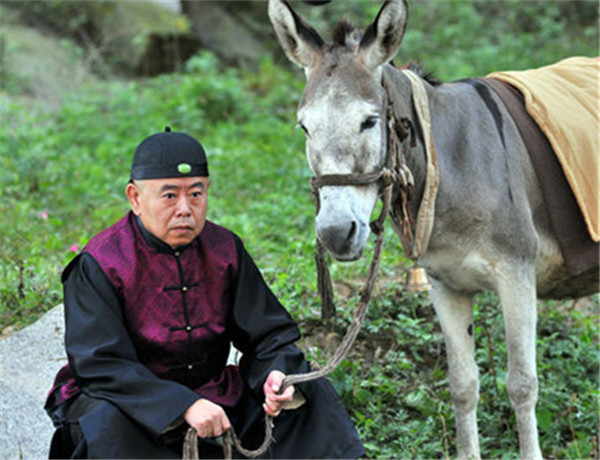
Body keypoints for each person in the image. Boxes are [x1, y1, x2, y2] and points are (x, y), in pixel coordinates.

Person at [44, 128, 365, 459]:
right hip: (131, 400)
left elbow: (269, 335)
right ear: (135, 198)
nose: (185, 209)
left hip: (213, 394)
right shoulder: (101, 262)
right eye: (169, 196)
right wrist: (182, 405)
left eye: (196, 195)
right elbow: (101, 364)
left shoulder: (224, 249)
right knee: (105, 421)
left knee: (308, 393)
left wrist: (277, 374)